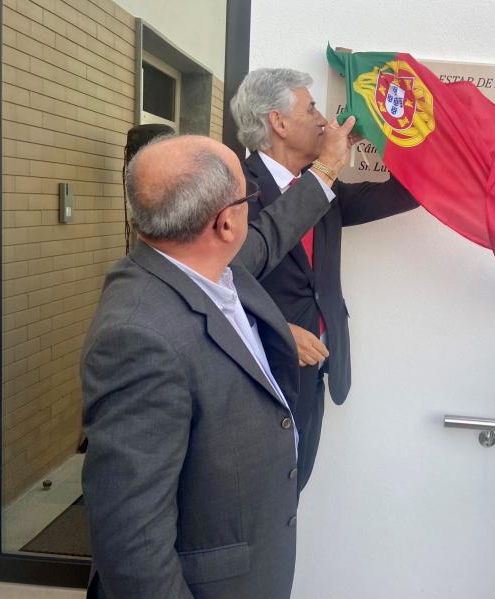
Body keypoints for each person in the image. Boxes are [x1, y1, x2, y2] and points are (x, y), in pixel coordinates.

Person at [80, 131, 349, 599]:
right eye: (249, 196)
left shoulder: (205, 264)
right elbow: (131, 543)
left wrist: (325, 169)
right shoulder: (138, 338)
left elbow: (269, 234)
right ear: (225, 223)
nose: (253, 206)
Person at [229, 68, 419, 492]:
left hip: (314, 376)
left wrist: (386, 135)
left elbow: (405, 192)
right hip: (258, 377)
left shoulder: (325, 188)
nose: (323, 120)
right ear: (278, 122)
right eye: (312, 109)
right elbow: (218, 281)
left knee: (292, 494)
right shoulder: (234, 189)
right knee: (258, 500)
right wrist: (276, 331)